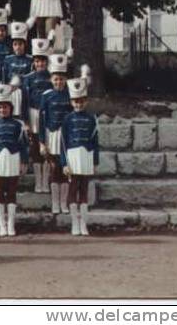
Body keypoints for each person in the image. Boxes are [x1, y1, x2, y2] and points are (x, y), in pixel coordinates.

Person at [0, 84, 28, 237]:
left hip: (13, 158)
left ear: (11, 108)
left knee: (11, 191)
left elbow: (23, 145)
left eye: (6, 107)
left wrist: (23, 162)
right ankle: (1, 225)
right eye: (0, 108)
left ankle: (11, 224)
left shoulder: (18, 124)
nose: (3, 110)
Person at [61, 75, 98, 236]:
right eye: (76, 101)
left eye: (81, 101)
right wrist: (64, 163)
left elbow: (95, 141)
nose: (78, 104)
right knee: (72, 189)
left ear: (86, 101)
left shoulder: (91, 119)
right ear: (71, 102)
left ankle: (84, 223)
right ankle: (74, 223)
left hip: (86, 156)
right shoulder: (67, 119)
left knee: (84, 190)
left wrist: (95, 161)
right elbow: (62, 143)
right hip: (72, 157)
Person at [39, 54, 73, 215]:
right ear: (51, 79)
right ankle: (54, 203)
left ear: (65, 79)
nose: (58, 82)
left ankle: (63, 203)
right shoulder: (46, 96)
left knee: (65, 170)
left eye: (61, 79)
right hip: (51, 135)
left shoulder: (70, 95)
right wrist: (41, 142)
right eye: (55, 79)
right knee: (54, 169)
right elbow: (41, 121)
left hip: (66, 137)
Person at [21, 38, 53, 194]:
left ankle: (45, 181)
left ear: (47, 62)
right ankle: (38, 181)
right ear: (34, 62)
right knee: (34, 147)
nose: (40, 64)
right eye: (38, 61)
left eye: (43, 61)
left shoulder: (52, 78)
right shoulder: (28, 78)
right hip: (33, 114)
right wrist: (25, 121)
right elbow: (24, 101)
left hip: (48, 115)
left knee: (46, 145)